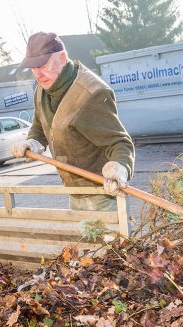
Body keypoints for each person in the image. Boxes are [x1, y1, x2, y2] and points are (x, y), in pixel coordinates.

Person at [12, 32, 135, 211]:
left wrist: (120, 166)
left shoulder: (91, 93)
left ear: (62, 58)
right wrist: (33, 141)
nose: (38, 74)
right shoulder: (42, 90)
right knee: (82, 240)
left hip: (103, 196)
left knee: (112, 240)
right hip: (74, 193)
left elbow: (120, 143)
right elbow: (40, 126)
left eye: (43, 65)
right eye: (33, 67)